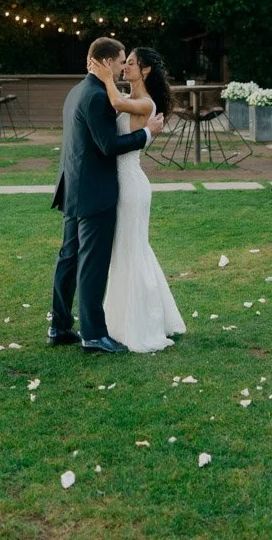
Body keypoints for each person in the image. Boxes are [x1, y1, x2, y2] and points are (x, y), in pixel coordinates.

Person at [49, 37, 165, 353]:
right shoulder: (98, 96)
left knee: (69, 257)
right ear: (107, 61)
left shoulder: (77, 91)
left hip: (73, 187)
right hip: (95, 192)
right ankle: (92, 334)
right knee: (92, 264)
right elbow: (108, 146)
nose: (122, 66)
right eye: (121, 61)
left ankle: (59, 326)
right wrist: (147, 134)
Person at [92, 46, 186, 353]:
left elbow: (116, 102)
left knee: (132, 250)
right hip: (121, 182)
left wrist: (105, 76)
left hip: (131, 185)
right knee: (128, 250)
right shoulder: (130, 98)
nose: (125, 67)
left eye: (131, 63)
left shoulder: (145, 103)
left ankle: (141, 324)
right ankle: (123, 320)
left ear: (145, 70)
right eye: (125, 63)